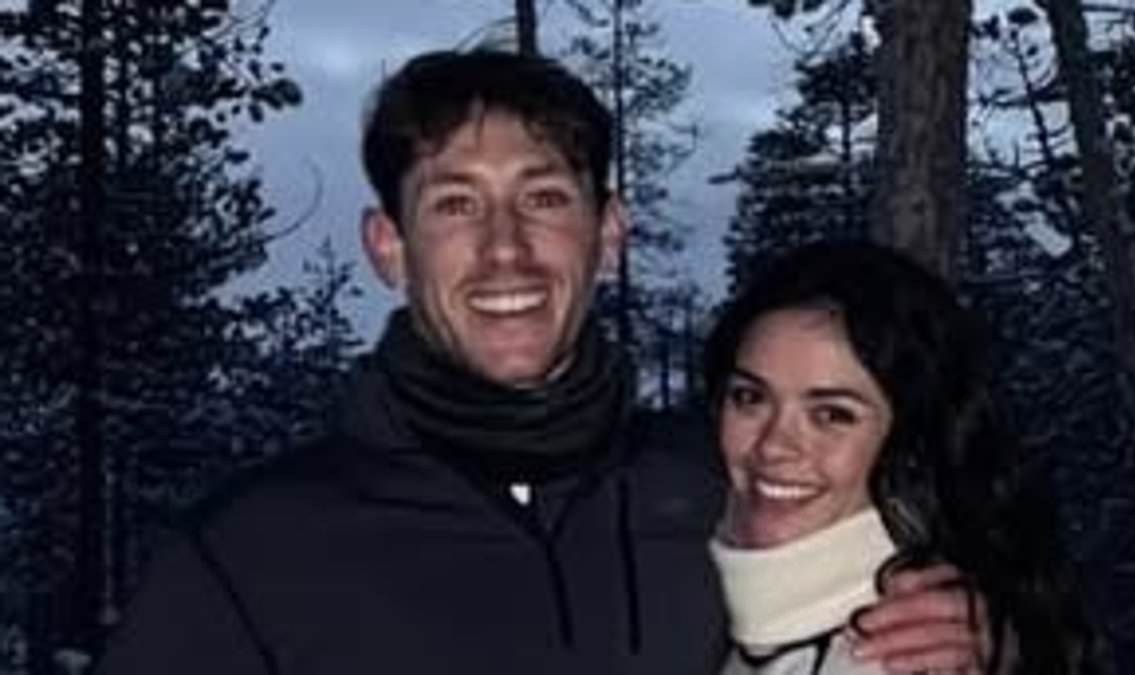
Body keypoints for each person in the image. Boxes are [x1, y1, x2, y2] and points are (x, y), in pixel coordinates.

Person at [96, 50, 987, 675]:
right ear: (388, 246)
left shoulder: (725, 486)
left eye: (545, 198)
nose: (505, 250)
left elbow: (930, 577)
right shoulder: (252, 553)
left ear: (608, 233)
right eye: (455, 205)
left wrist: (983, 632)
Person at [703, 241, 1092, 675]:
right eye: (750, 397)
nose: (773, 445)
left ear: (913, 439)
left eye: (831, 415)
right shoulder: (739, 602)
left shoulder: (904, 655)